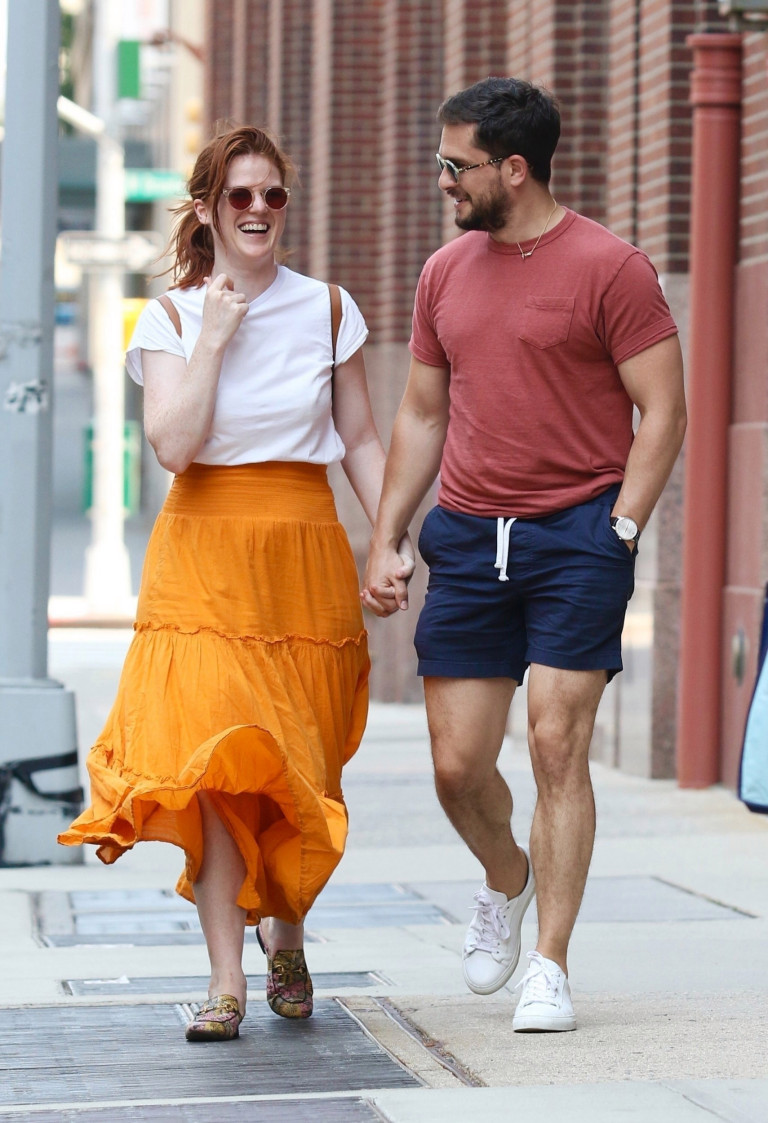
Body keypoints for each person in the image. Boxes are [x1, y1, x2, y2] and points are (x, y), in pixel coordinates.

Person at [59, 124, 412, 1041]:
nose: (259, 210)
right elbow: (175, 446)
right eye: (240, 195)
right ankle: (226, 978)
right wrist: (215, 335)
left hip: (300, 555)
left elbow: (363, 441)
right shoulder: (170, 317)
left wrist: (391, 538)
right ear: (209, 209)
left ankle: (287, 935)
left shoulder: (330, 309)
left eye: (274, 195)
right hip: (203, 560)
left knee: (299, 763)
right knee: (216, 768)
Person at [362, 77, 686, 1033]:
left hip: (576, 536)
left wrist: (620, 528)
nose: (443, 182)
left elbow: (662, 409)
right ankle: (506, 876)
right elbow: (424, 411)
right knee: (457, 767)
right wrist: (389, 534)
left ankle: (549, 959)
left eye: (456, 166)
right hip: (468, 536)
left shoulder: (610, 268)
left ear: (514, 166)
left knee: (555, 741)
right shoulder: (444, 272)